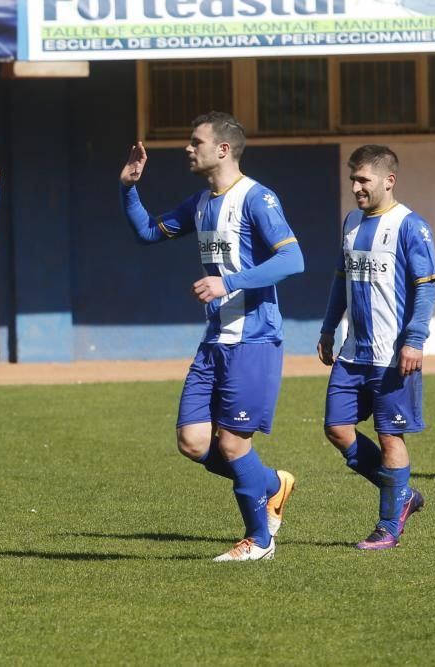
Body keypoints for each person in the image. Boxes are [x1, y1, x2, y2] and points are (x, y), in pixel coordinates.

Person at [119, 111, 304, 561]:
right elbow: (147, 232)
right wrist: (128, 187)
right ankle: (272, 485)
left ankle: (259, 541)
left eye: (195, 141)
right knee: (194, 442)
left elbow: (293, 260)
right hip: (215, 340)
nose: (188, 148)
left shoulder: (258, 199)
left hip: (254, 339)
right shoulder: (200, 203)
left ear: (222, 149)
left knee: (232, 443)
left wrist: (229, 282)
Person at [317, 144, 435, 550]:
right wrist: (329, 328)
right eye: (353, 179)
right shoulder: (351, 222)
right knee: (336, 428)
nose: (355, 187)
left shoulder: (410, 225)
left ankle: (389, 525)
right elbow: (340, 280)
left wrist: (415, 340)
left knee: (390, 438)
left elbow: (426, 287)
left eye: (363, 179)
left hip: (392, 356)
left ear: (389, 180)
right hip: (353, 353)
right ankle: (401, 495)